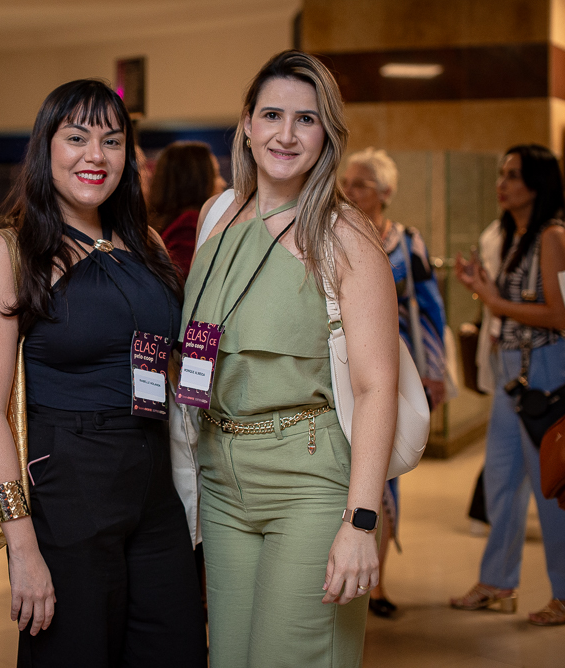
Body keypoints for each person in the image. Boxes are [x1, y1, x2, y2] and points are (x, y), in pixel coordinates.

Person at [0, 79, 207, 668]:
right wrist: (22, 545)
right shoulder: (11, 250)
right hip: (68, 482)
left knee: (173, 646)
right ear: (46, 149)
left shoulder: (142, 241)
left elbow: (170, 355)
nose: (95, 156)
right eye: (76, 138)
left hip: (152, 481)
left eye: (112, 140)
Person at [184, 50, 396, 667]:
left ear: (327, 133)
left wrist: (360, 522)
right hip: (222, 479)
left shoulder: (344, 233)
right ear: (246, 123)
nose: (285, 133)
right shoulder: (217, 215)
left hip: (310, 480)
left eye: (306, 119)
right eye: (271, 114)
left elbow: (377, 386)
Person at [451, 144, 565, 626]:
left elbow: (560, 316)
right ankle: (499, 580)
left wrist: (493, 300)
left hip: (544, 370)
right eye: (501, 173)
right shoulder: (514, 234)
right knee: (500, 481)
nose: (502, 182)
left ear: (536, 183)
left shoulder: (553, 236)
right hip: (509, 374)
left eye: (513, 175)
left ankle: (563, 593)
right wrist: (483, 291)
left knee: (552, 487)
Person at [342, 147, 449, 618]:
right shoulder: (333, 232)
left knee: (386, 473)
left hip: (395, 367)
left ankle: (378, 583)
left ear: (385, 192)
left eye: (361, 182)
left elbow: (429, 308)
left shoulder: (406, 242)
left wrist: (436, 371)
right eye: (347, 180)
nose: (350, 188)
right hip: (343, 366)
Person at [148, 141, 227, 278]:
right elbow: (189, 283)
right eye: (215, 175)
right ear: (196, 181)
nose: (223, 182)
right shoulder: (191, 223)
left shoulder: (159, 221)